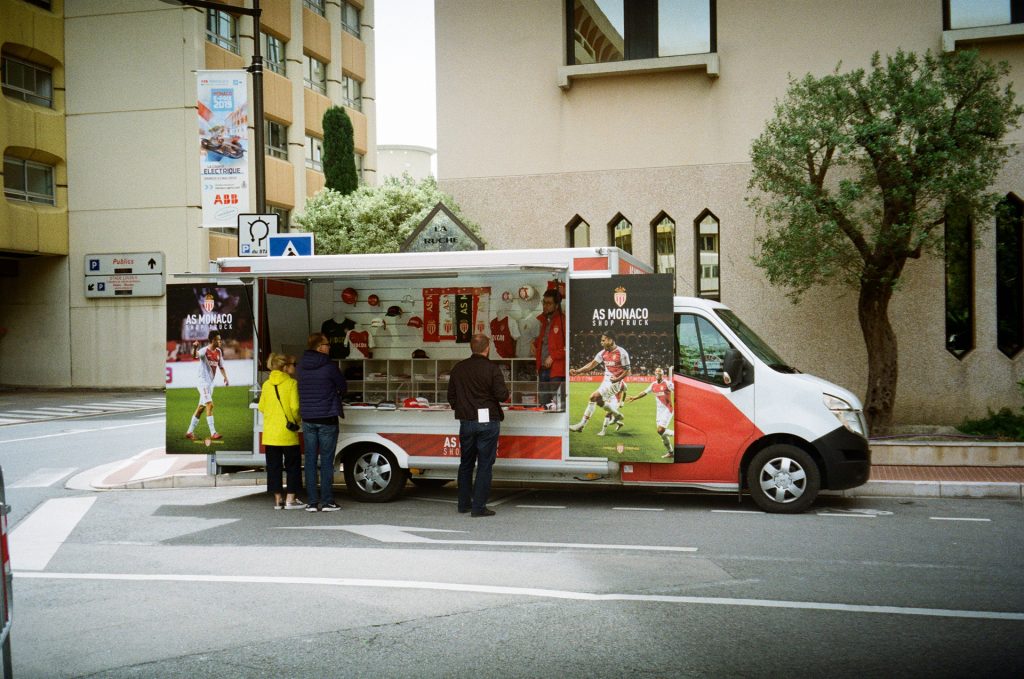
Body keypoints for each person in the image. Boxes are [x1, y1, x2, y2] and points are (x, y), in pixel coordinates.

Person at [447, 334, 509, 518]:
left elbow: (451, 397)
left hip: (466, 421)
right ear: (487, 348)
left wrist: (463, 408)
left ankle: (463, 504)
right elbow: (502, 395)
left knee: (465, 463)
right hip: (488, 421)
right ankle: (479, 507)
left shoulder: (458, 368)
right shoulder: (492, 368)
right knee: (484, 465)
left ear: (471, 347)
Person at [297, 332, 347, 512]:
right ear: (319, 347)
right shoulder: (330, 365)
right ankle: (327, 501)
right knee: (326, 461)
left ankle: (311, 502)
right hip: (327, 419)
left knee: (310, 460)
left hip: (308, 418)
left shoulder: (301, 365)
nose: (329, 347)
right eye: (327, 344)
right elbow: (343, 387)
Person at [258, 353, 305, 508]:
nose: (293, 367)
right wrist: (296, 421)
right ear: (285, 367)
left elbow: (262, 407)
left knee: (274, 467)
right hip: (287, 433)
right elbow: (295, 407)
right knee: (292, 466)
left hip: (270, 434)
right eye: (291, 365)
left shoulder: (266, 385)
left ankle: (278, 500)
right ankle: (291, 499)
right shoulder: (291, 383)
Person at [568, 331, 630, 436]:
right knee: (600, 402)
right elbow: (592, 364)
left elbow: (627, 370)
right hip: (605, 381)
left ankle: (581, 425)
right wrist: (578, 371)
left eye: (603, 340)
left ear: (611, 340)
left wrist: (617, 379)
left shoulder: (622, 352)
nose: (601, 342)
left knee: (593, 397)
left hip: (614, 382)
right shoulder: (603, 353)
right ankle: (617, 414)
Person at [185, 331, 228, 441]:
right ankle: (213, 433)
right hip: (202, 382)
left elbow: (221, 366)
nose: (220, 341)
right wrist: (195, 348)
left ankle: (189, 432)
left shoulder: (218, 352)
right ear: (213, 340)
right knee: (210, 405)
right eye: (218, 339)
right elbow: (195, 355)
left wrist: (225, 377)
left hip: (210, 384)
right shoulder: (204, 351)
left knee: (201, 408)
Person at [625, 367, 674, 458]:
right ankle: (671, 452)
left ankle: (676, 433)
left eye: (659, 372)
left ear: (662, 374)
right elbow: (644, 392)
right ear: (655, 374)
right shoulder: (653, 385)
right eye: (656, 372)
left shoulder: (668, 383)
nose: (657, 373)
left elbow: (678, 391)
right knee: (662, 435)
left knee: (660, 430)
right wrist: (634, 397)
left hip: (668, 409)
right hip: (659, 412)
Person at [533, 288, 566, 408]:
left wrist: (553, 356)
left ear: (556, 305)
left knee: (557, 405)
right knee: (543, 404)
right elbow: (546, 342)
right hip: (542, 368)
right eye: (544, 302)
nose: (545, 306)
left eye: (549, 303)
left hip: (556, 371)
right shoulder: (544, 321)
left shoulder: (563, 321)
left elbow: (567, 348)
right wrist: (535, 344)